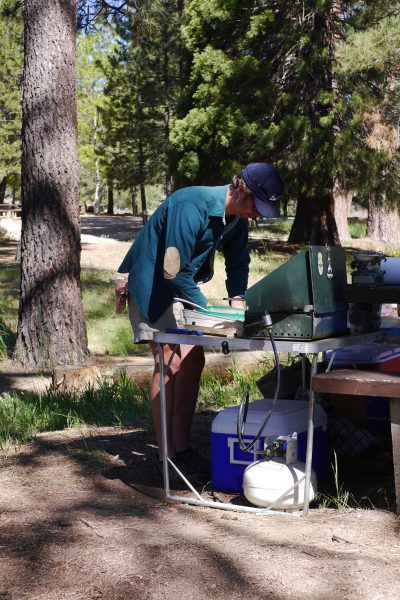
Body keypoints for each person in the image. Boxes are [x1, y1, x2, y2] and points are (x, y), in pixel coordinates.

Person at [118, 162, 283, 480]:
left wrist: (237, 302)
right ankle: (164, 457)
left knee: (193, 360)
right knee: (168, 360)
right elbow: (172, 270)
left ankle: (183, 449)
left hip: (182, 285)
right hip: (153, 284)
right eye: (256, 206)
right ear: (239, 189)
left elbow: (238, 262)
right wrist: (209, 314)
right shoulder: (190, 204)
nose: (257, 215)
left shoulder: (236, 218)